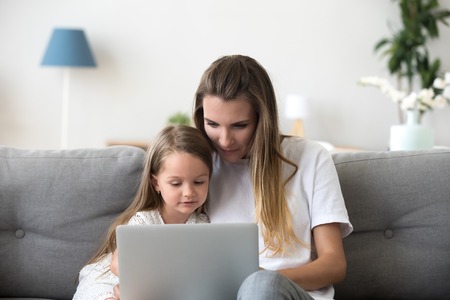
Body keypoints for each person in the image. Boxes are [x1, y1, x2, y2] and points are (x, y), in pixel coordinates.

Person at [191, 54, 353, 300]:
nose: (224, 140)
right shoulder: (198, 168)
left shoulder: (310, 158)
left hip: (291, 293)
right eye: (212, 124)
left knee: (260, 288)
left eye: (239, 126)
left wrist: (261, 276)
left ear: (262, 119)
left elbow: (334, 264)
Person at [72, 125, 213, 300]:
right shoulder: (144, 221)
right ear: (156, 183)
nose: (189, 192)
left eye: (199, 182)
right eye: (176, 184)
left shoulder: (203, 225)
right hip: (112, 280)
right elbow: (118, 265)